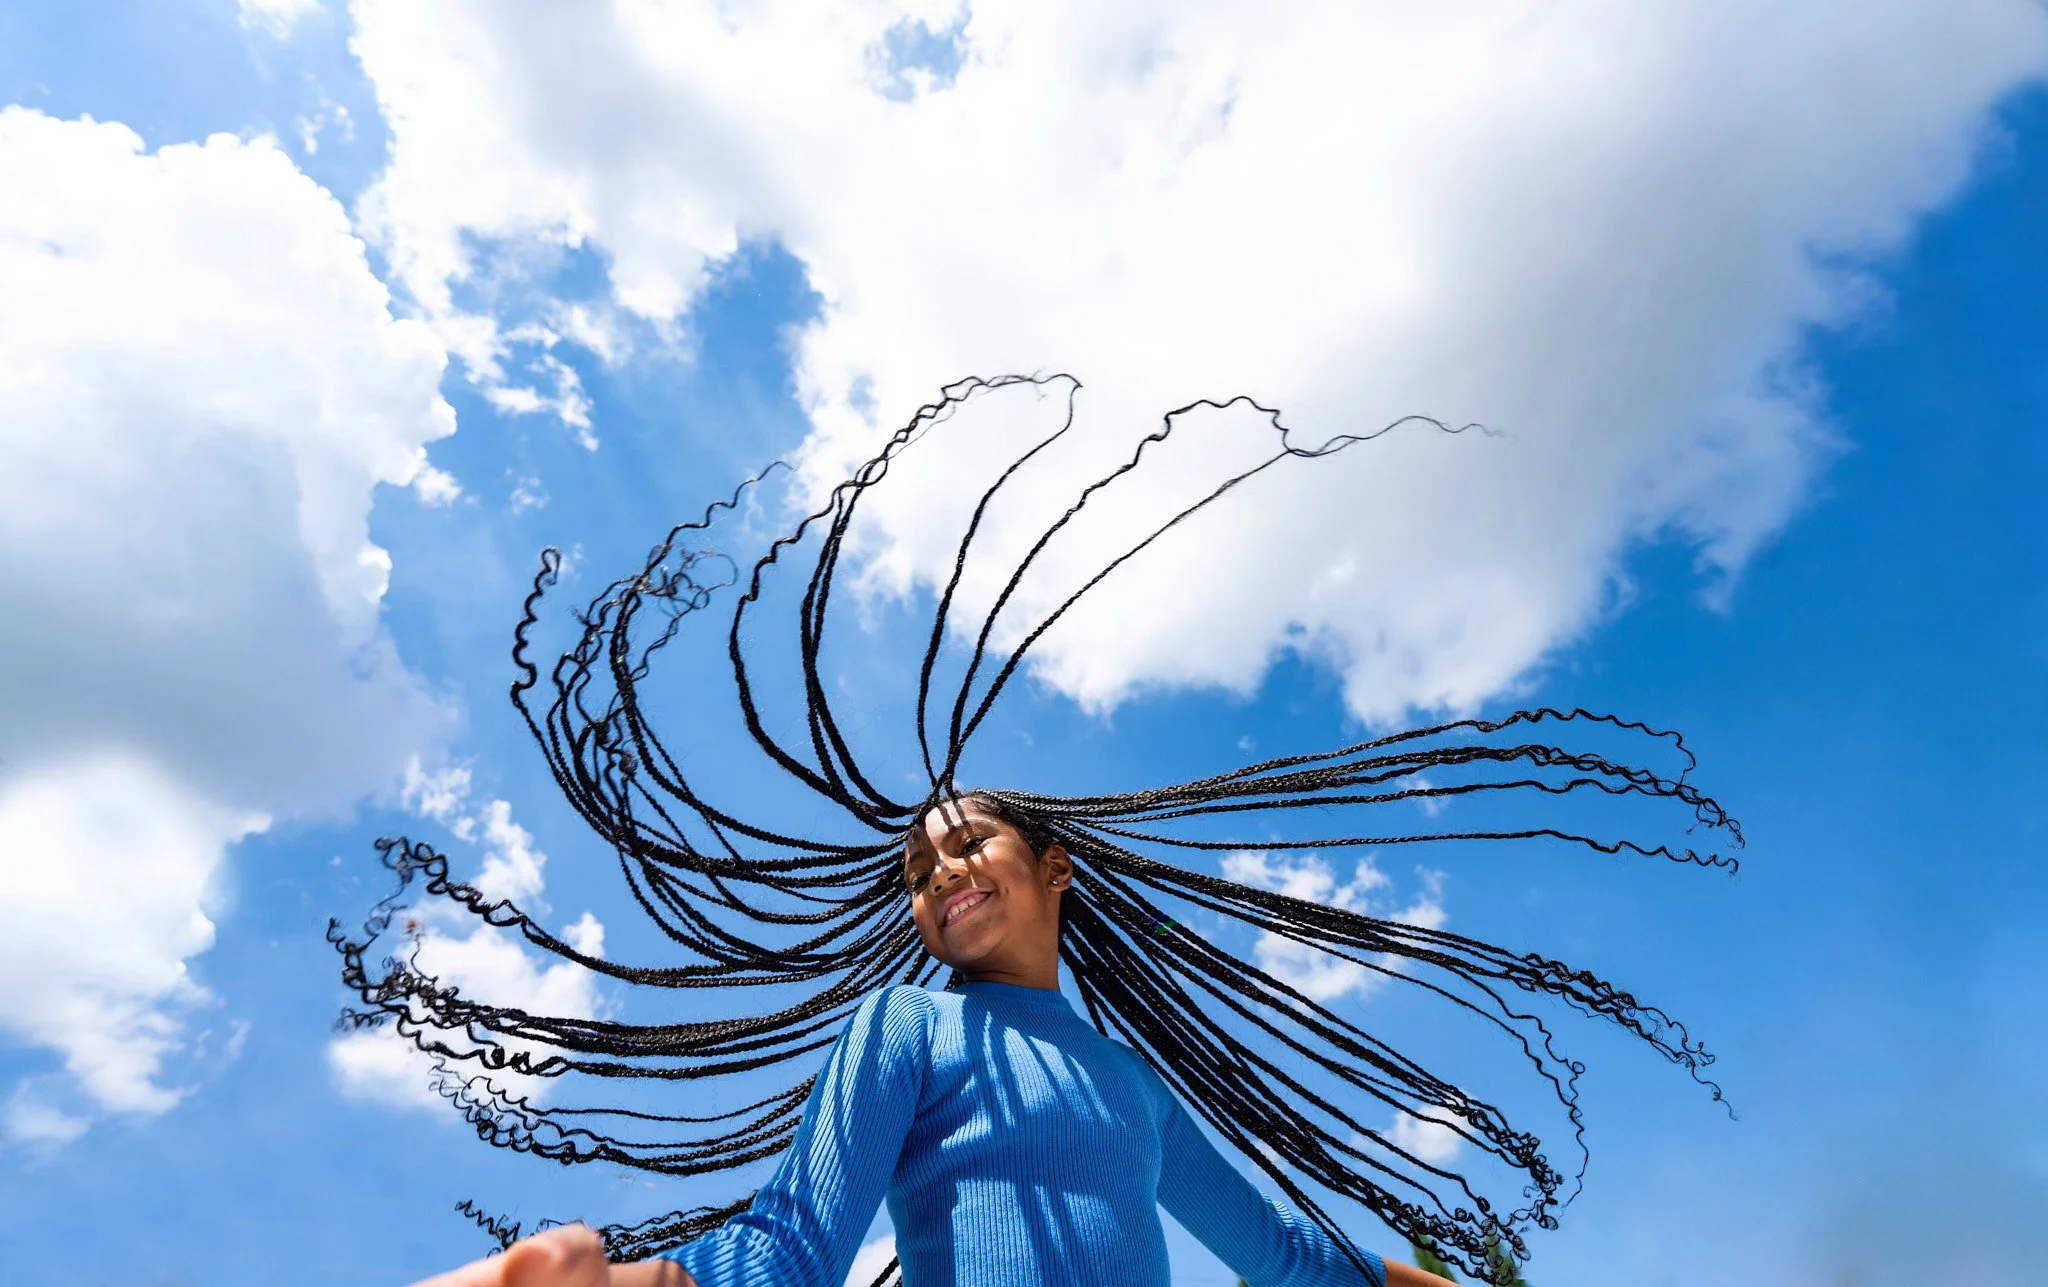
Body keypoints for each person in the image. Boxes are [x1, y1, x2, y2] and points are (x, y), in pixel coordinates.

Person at [343, 375, 1737, 1286]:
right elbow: (799, 1236)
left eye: (968, 845)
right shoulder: (905, 1032)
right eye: (919, 868)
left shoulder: (1132, 1085)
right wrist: (630, 1279)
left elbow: (1280, 1251)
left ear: (1051, 866)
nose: (941, 872)